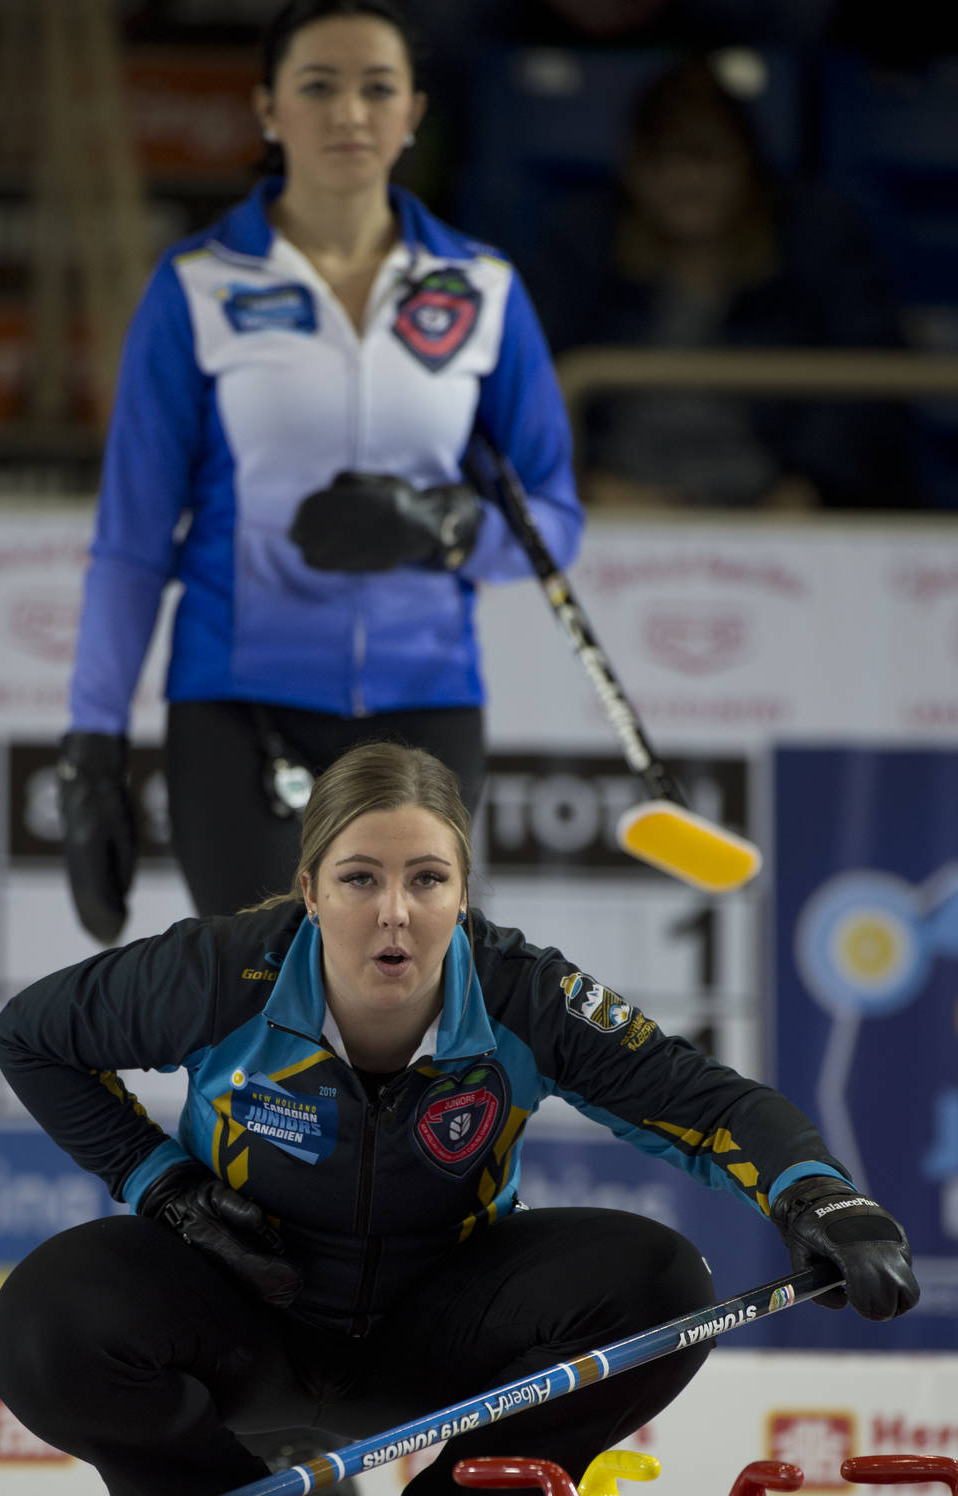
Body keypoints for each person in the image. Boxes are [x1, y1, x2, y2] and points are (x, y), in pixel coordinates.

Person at [0, 739, 919, 1496]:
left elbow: (708, 1105)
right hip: (244, 1316)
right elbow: (31, 1036)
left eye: (427, 880)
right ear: (309, 890)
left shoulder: (524, 994)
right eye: (360, 878)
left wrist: (820, 1196)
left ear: (463, 892)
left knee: (662, 1279)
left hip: (434, 1333)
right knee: (42, 1324)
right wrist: (165, 1188)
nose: (395, 912)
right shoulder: (221, 971)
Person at [57, 0, 584, 940]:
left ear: (414, 110)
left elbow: (553, 522)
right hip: (238, 707)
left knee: (406, 1022)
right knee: (265, 1021)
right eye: (319, 86)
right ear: (268, 110)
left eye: (377, 88)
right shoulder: (199, 287)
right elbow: (132, 542)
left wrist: (446, 530)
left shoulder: (483, 290)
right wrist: (92, 747)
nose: (349, 112)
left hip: (426, 704)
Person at [527, 56, 914, 511]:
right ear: (634, 170)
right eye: (664, 161)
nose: (688, 182)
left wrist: (809, 486)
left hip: (779, 510)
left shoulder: (812, 235)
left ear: (747, 164)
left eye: (707, 158)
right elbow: (524, 381)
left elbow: (869, 375)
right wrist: (587, 483)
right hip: (619, 505)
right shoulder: (585, 240)